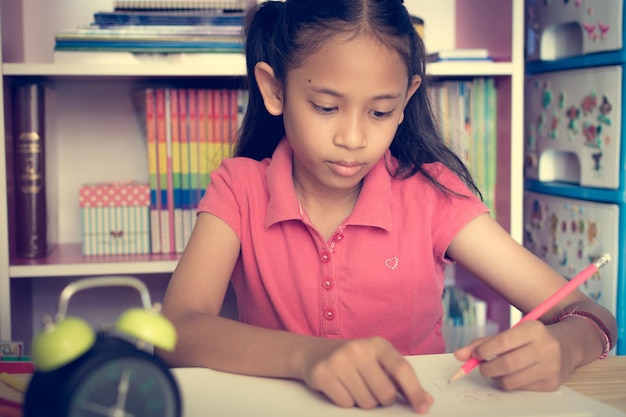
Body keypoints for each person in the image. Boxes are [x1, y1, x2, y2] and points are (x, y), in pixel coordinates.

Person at [159, 0, 618, 414]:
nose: (354, 139)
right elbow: (177, 331)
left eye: (380, 112)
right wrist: (308, 357)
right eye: (325, 107)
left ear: (405, 101)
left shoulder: (432, 196)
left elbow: (594, 316)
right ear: (274, 89)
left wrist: (565, 346)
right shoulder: (238, 188)